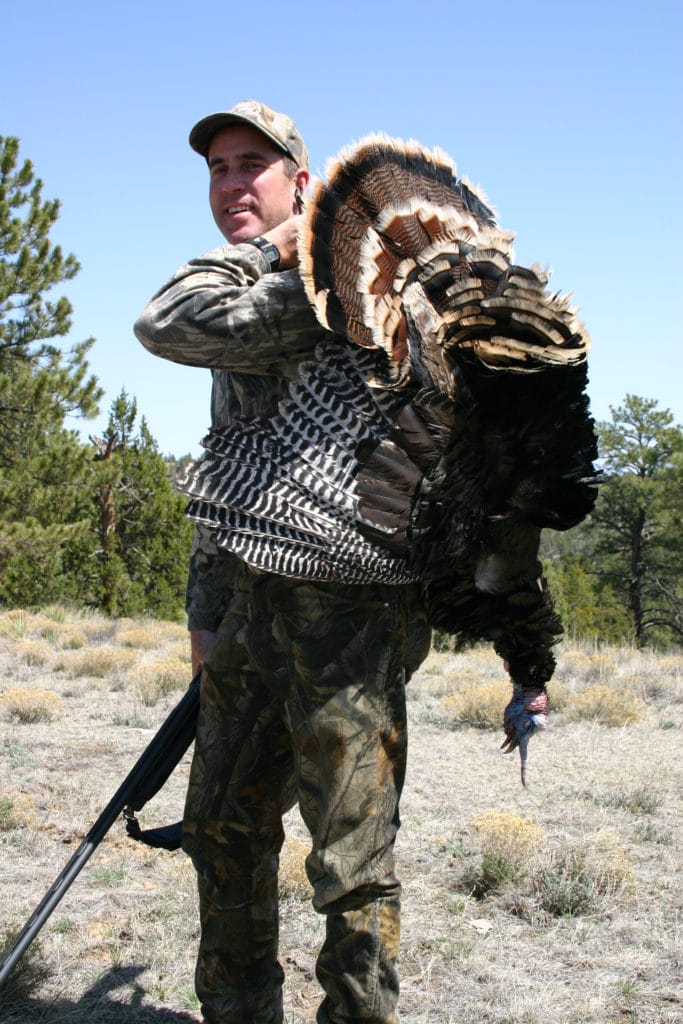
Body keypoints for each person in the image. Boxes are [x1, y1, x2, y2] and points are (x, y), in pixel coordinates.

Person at [134, 100, 432, 1024]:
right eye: (218, 167)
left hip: (350, 611)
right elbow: (208, 409)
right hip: (247, 608)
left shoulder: (379, 279)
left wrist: (328, 264)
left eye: (251, 165)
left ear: (301, 181)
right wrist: (203, 617)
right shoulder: (262, 274)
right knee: (223, 829)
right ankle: (237, 1013)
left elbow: (170, 322)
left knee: (349, 860)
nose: (231, 183)